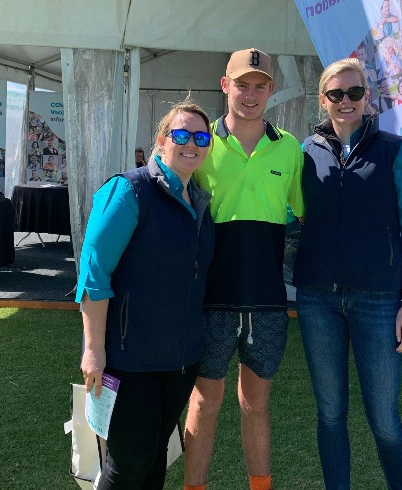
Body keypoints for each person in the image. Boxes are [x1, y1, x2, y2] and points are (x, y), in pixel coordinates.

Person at [293, 58, 402, 490]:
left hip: (378, 300)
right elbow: (288, 212)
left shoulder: (393, 148)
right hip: (317, 299)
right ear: (323, 99)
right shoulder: (305, 151)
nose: (345, 101)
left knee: (385, 419)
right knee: (330, 413)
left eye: (354, 93)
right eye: (336, 94)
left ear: (367, 97)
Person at [77, 100, 215, 489]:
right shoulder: (130, 190)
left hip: (180, 360)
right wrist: (93, 349)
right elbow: (94, 273)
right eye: (182, 135)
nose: (192, 144)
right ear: (161, 141)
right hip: (129, 358)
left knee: (156, 455)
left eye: (201, 137)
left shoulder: (200, 200)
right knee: (129, 463)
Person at [183, 48, 305, 490]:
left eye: (260, 85)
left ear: (271, 89)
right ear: (224, 85)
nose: (250, 95)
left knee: (256, 405)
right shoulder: (201, 144)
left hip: (268, 301)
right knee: (205, 404)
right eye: (242, 84)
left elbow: (306, 213)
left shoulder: (289, 147)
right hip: (211, 299)